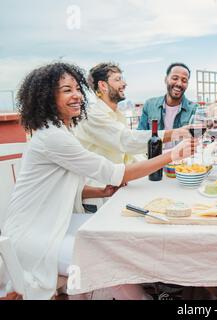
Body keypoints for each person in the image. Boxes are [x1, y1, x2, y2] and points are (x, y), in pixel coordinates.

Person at [0, 62, 196, 300]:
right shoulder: (53, 137)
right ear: (47, 97)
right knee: (105, 256)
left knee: (113, 232)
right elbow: (116, 171)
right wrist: (174, 154)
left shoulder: (61, 131)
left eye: (77, 89)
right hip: (34, 235)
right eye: (66, 90)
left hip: (54, 220)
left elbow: (66, 188)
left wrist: (100, 192)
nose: (77, 96)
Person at [74, 63, 190, 210]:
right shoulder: (92, 115)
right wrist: (176, 134)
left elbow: (130, 154)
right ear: (103, 85)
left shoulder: (117, 115)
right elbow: (126, 141)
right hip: (100, 195)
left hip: (117, 188)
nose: (124, 84)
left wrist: (163, 167)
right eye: (118, 79)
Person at [138, 63, 197, 135]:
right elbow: (139, 135)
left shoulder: (194, 109)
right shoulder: (149, 105)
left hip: (184, 146)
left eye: (184, 81)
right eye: (175, 78)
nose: (179, 84)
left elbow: (198, 136)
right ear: (166, 80)